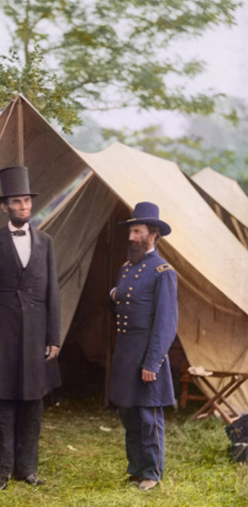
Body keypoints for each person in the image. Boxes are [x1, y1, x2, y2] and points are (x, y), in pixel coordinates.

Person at [0, 166, 62, 491]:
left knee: (33, 404)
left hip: (38, 334)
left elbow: (53, 293)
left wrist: (53, 337)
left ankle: (27, 469)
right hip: (4, 333)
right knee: (5, 403)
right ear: (5, 206)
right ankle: (2, 471)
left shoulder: (46, 242)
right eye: (17, 201)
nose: (24, 206)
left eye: (27, 201)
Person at [109, 202, 178, 491]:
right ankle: (136, 469)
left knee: (148, 416)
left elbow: (166, 323)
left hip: (147, 353)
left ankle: (152, 472)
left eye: (137, 231)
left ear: (153, 234)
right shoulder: (126, 269)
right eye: (131, 232)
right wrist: (114, 294)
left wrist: (152, 362)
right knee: (128, 413)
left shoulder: (163, 271)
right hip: (126, 353)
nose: (132, 237)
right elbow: (123, 307)